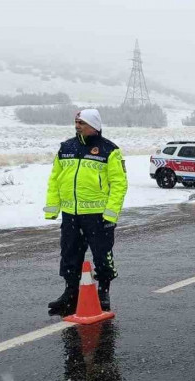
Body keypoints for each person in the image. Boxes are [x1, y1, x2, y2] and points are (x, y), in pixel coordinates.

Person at [44, 109, 128, 315]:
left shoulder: (110, 150)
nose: (77, 125)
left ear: (94, 125)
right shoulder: (66, 148)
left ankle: (103, 292)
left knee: (102, 255)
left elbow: (119, 184)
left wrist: (111, 214)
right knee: (69, 254)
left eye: (81, 122)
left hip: (98, 216)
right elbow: (55, 179)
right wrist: (52, 207)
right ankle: (70, 294)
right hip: (71, 214)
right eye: (76, 122)